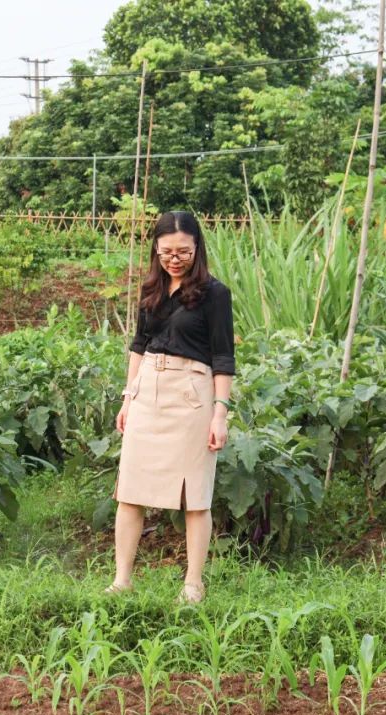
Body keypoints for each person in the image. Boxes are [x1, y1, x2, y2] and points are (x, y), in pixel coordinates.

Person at [108, 211, 235, 603]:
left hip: (190, 396)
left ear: (197, 248)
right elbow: (138, 346)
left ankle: (193, 584)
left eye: (183, 251)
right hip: (148, 391)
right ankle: (121, 580)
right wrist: (129, 397)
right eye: (166, 251)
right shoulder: (153, 288)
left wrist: (219, 412)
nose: (174, 259)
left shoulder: (215, 294)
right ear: (156, 250)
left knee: (194, 495)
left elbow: (223, 358)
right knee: (130, 491)